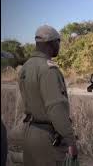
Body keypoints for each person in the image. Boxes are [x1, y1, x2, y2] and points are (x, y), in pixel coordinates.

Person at [18, 25, 78, 166]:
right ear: (51, 43)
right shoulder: (49, 69)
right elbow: (56, 109)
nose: (59, 45)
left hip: (29, 132)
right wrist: (71, 141)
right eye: (58, 41)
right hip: (47, 138)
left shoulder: (26, 66)